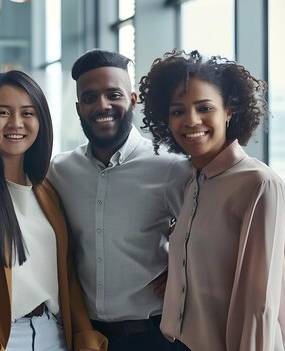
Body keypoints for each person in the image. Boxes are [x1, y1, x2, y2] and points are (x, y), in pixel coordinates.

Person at [0, 70, 108, 351]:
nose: (15, 123)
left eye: (28, 113)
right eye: (3, 112)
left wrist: (84, 336)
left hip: (54, 334)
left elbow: (67, 272)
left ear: (41, 121)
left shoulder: (47, 190)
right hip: (1, 339)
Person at [139, 49, 285, 351]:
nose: (191, 120)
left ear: (229, 111)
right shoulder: (193, 181)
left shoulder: (259, 184)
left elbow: (260, 306)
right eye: (178, 111)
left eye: (204, 107)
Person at [46, 49, 191, 351]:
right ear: (78, 107)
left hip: (155, 337)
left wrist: (186, 270)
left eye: (113, 94)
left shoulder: (171, 167)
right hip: (85, 336)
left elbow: (208, 235)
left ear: (133, 99)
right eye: (89, 98)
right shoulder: (59, 171)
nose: (102, 106)